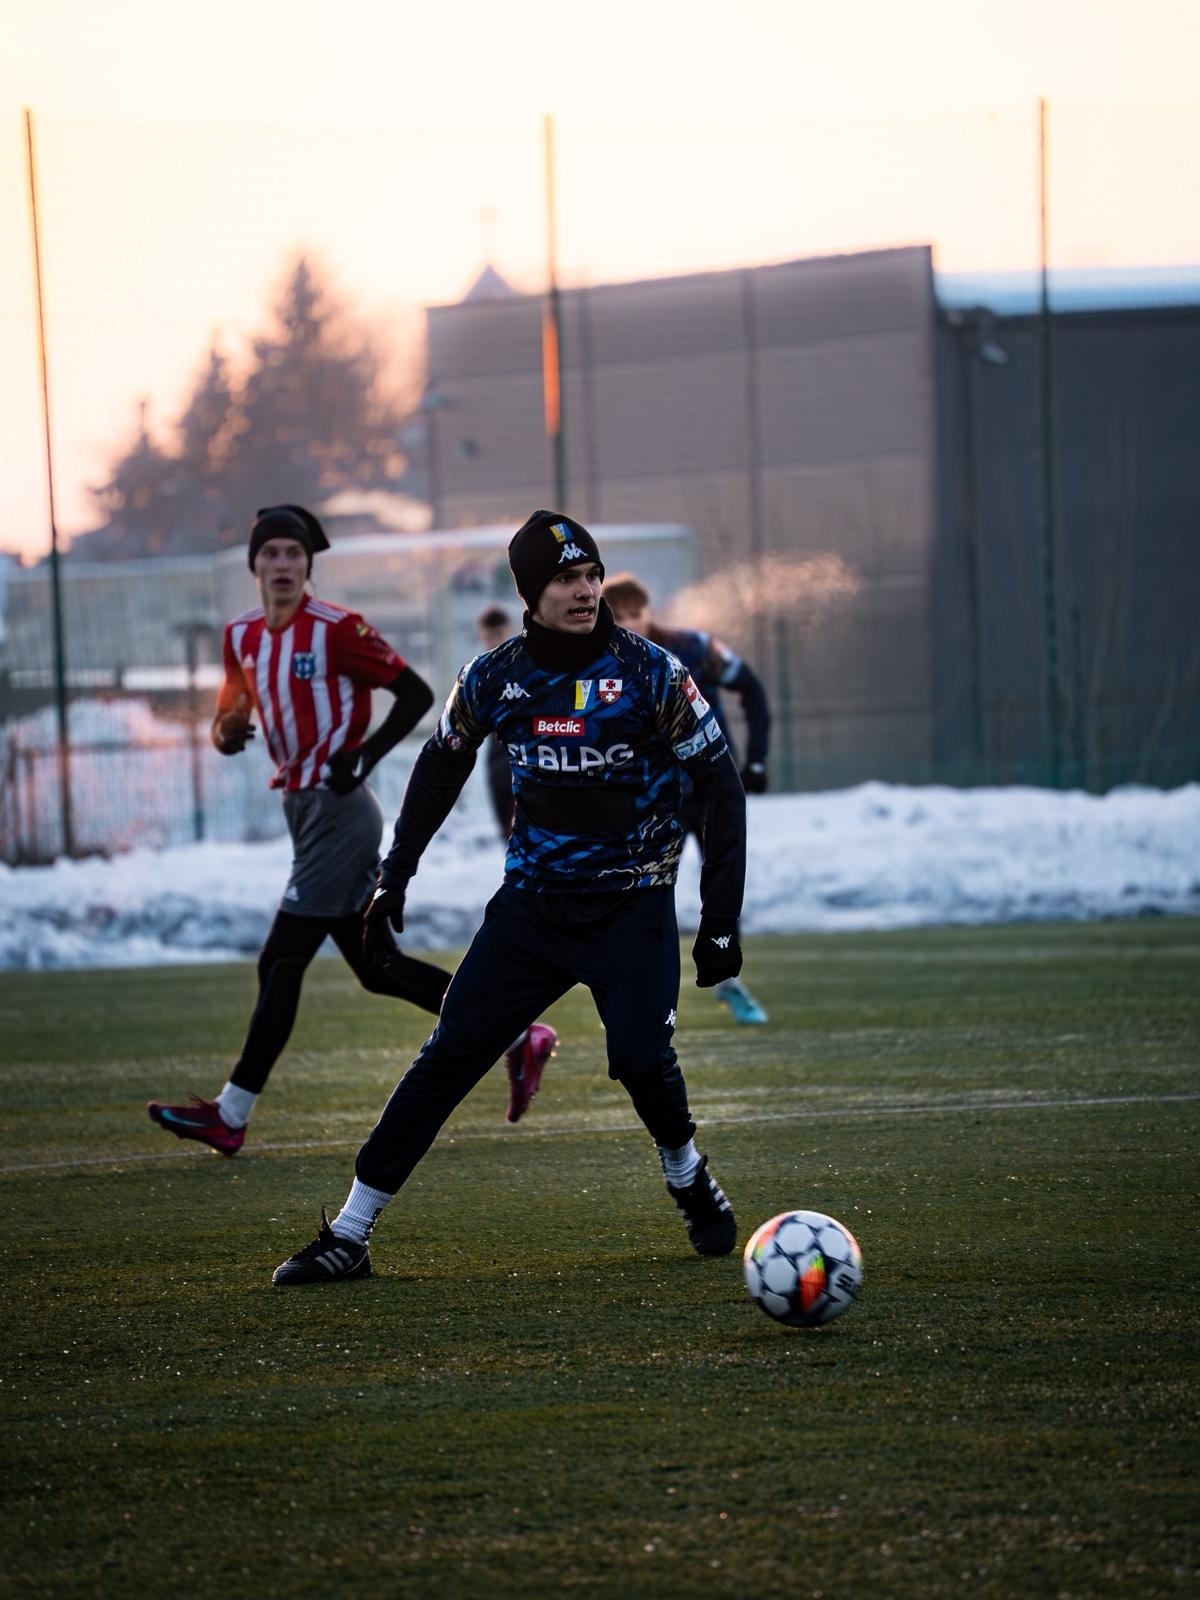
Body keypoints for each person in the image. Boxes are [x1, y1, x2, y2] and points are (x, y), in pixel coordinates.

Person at [272, 509, 747, 1285]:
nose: (585, 589)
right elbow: (440, 767)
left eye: (591, 573)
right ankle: (350, 1233)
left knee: (638, 1058)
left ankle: (686, 1172)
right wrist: (398, 869)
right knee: (449, 1053)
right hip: (532, 910)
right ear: (531, 592)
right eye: (565, 578)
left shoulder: (654, 673)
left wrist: (719, 918)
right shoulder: (495, 675)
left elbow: (720, 789)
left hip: (632, 908)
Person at [147, 504, 556, 1155]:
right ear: (254, 563)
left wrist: (362, 756)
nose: (283, 565)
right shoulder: (242, 636)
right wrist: (225, 732)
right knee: (376, 969)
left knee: (279, 961)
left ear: (309, 564)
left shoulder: (337, 629)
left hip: (341, 814)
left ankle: (231, 1113)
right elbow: (230, 721)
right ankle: (516, 1034)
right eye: (272, 553)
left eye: (294, 554)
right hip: (303, 814)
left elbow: (418, 693)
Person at [602, 571, 771, 1026]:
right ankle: (632, 994)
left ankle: (728, 979)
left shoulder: (693, 647)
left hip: (709, 790)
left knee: (722, 882)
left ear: (648, 611)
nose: (629, 625)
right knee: (636, 893)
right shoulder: (600, 663)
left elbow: (752, 690)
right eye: (619, 618)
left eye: (634, 615)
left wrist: (754, 761)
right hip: (650, 797)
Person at [474, 604, 516, 838]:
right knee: (504, 823)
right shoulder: (478, 673)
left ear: (508, 630)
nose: (493, 641)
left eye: (497, 635)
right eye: (488, 636)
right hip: (497, 751)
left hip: (525, 749)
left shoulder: (523, 665)